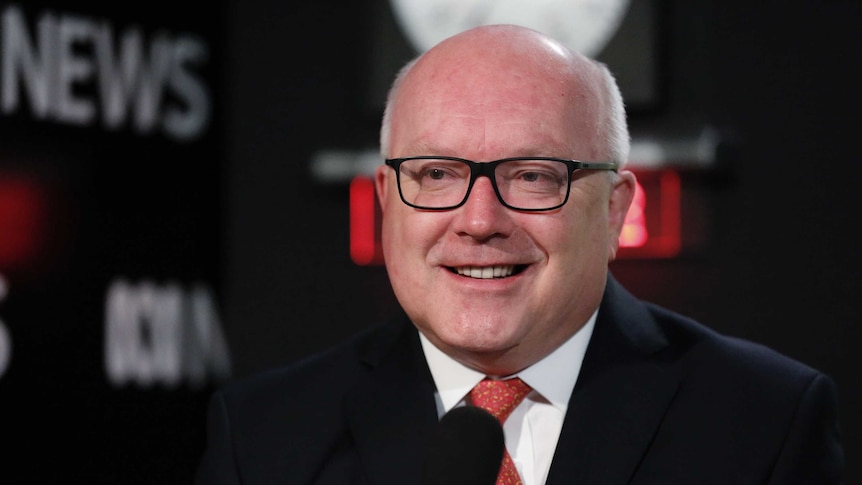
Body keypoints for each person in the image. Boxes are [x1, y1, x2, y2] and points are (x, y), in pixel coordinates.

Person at [195, 25, 843, 484]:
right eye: (437, 174)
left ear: (615, 208)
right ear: (388, 203)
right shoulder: (263, 436)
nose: (480, 220)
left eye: (534, 175)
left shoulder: (764, 421)